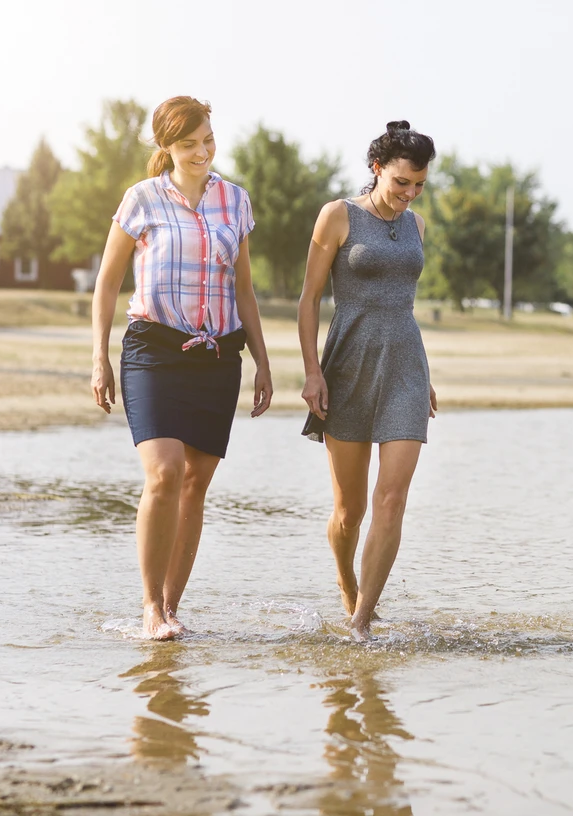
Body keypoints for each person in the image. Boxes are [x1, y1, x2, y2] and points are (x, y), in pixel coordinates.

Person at [90, 96, 272, 641]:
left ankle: (171, 608)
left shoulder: (235, 202)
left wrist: (263, 361)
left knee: (195, 485)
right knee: (165, 473)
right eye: (189, 144)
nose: (202, 152)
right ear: (166, 147)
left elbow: (244, 289)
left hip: (218, 358)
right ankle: (149, 606)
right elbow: (106, 282)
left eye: (208, 140)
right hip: (153, 351)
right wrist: (99, 357)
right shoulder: (141, 200)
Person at [298, 120, 437, 641]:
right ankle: (346, 582)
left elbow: (405, 305)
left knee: (392, 499)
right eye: (402, 182)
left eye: (419, 185)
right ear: (377, 169)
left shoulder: (418, 226)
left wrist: (425, 379)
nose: (410, 194)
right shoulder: (337, 217)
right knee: (349, 510)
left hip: (406, 367)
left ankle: (361, 622)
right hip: (348, 367)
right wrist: (313, 373)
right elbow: (309, 300)